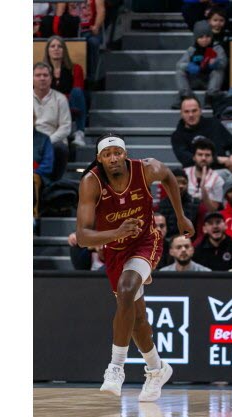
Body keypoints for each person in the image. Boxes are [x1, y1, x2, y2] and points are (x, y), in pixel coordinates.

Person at [75, 134, 192, 402]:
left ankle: (116, 367)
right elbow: (82, 237)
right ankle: (157, 368)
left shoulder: (146, 168)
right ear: (100, 159)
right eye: (108, 154)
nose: (114, 158)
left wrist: (180, 215)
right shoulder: (91, 183)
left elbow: (169, 178)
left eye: (118, 152)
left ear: (125, 154)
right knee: (137, 319)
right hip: (115, 251)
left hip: (145, 242)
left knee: (127, 290)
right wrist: (116, 232)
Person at [170, 97, 232, 171]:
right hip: (195, 173)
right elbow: (188, 160)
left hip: (221, 171)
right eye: (186, 112)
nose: (191, 115)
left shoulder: (214, 124)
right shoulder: (177, 136)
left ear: (200, 111)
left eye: (194, 111)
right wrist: (218, 160)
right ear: (181, 113)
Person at [43, 36, 87, 147]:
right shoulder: (42, 72)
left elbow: (77, 91)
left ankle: (79, 132)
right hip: (48, 109)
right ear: (48, 51)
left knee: (77, 92)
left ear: (64, 51)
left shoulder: (75, 69)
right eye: (52, 46)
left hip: (69, 106)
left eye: (60, 46)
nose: (56, 49)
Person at [174, 21, 228, 109]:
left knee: (218, 71)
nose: (205, 39)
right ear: (196, 38)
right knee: (180, 72)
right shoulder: (192, 49)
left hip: (210, 81)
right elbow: (179, 64)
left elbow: (224, 63)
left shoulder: (217, 48)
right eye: (201, 37)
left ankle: (211, 96)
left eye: (207, 36)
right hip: (195, 79)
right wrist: (188, 66)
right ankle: (186, 96)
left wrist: (216, 63)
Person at [33, 62, 71, 181]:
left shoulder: (60, 98)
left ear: (51, 78)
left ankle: (53, 184)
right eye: (38, 75)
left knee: (60, 147)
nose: (42, 78)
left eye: (45, 75)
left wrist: (46, 142)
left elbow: (66, 127)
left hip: (53, 140)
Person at [55, 0, 105, 84]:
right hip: (71, 30)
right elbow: (59, 13)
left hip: (89, 30)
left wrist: (96, 26)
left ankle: (92, 78)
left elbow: (101, 11)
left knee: (93, 42)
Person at [183, 137, 225, 213]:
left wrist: (203, 190)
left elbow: (213, 209)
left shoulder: (218, 179)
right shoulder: (184, 173)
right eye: (200, 154)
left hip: (206, 219)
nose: (203, 158)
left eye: (207, 155)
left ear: (212, 158)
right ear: (194, 157)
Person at [158, 168, 200, 239]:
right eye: (177, 182)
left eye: (184, 182)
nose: (181, 186)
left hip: (189, 243)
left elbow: (199, 232)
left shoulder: (196, 204)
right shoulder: (161, 206)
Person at [33, 112, 54, 219]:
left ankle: (33, 217)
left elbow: (47, 165)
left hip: (38, 177)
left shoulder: (44, 139)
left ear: (34, 119)